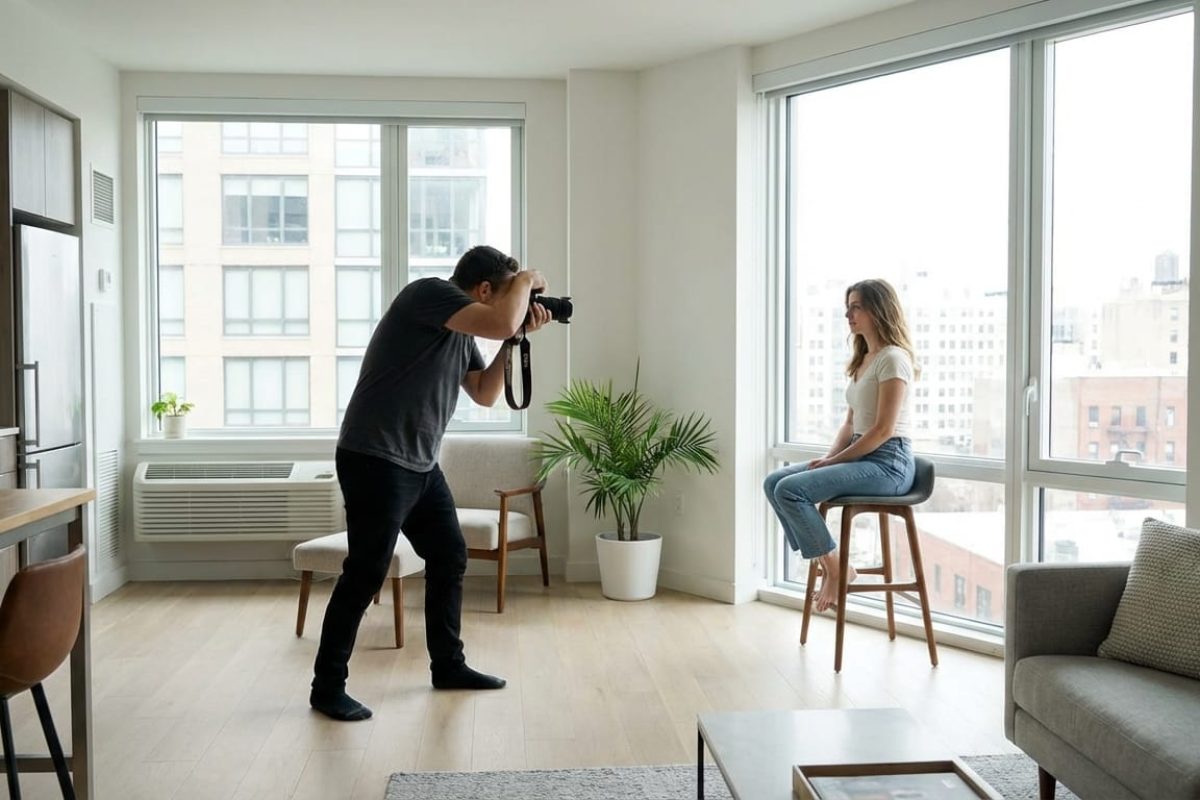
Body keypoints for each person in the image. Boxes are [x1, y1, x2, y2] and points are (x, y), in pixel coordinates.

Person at [310, 245, 552, 722]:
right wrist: (526, 280)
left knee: (449, 555)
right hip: (374, 458)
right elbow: (501, 319)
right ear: (484, 290)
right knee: (365, 572)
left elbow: (484, 394)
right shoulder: (428, 295)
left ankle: (448, 666)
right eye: (505, 293)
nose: (512, 302)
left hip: (420, 465)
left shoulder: (465, 330)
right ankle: (327, 688)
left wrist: (513, 338)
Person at [764, 278, 918, 614]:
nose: (847, 314)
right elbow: (849, 425)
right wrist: (829, 457)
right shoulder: (863, 361)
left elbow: (881, 430)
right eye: (847, 307)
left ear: (878, 309)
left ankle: (833, 569)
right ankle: (835, 566)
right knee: (774, 482)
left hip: (889, 463)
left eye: (856, 306)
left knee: (791, 490)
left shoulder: (894, 358)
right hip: (862, 456)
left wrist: (835, 463)